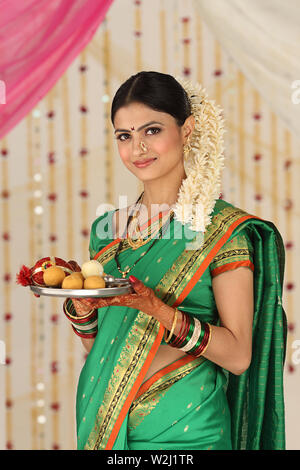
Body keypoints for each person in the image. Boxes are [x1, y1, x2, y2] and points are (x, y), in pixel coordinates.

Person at [63, 71, 287, 451]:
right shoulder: (107, 230)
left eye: (152, 130)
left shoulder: (222, 229)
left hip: (190, 428)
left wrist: (159, 310)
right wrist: (83, 312)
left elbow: (238, 356)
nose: (138, 149)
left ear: (187, 130)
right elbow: (106, 347)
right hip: (107, 424)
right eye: (124, 136)